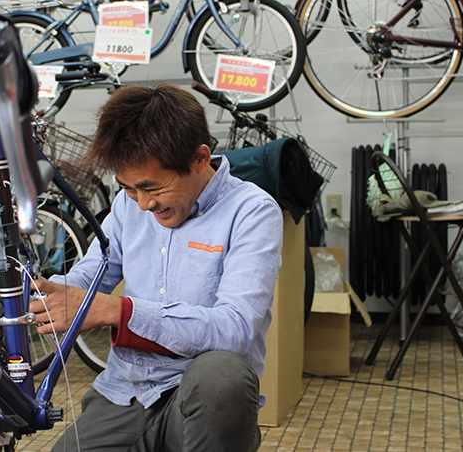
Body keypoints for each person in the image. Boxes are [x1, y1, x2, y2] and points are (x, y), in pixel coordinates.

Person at [30, 83, 283, 451]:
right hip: (127, 391)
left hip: (199, 399)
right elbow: (90, 276)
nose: (144, 203)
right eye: (130, 188)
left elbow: (236, 328)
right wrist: (46, 292)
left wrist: (119, 312)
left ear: (199, 158)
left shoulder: (251, 211)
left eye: (152, 187)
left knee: (221, 375)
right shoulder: (127, 205)